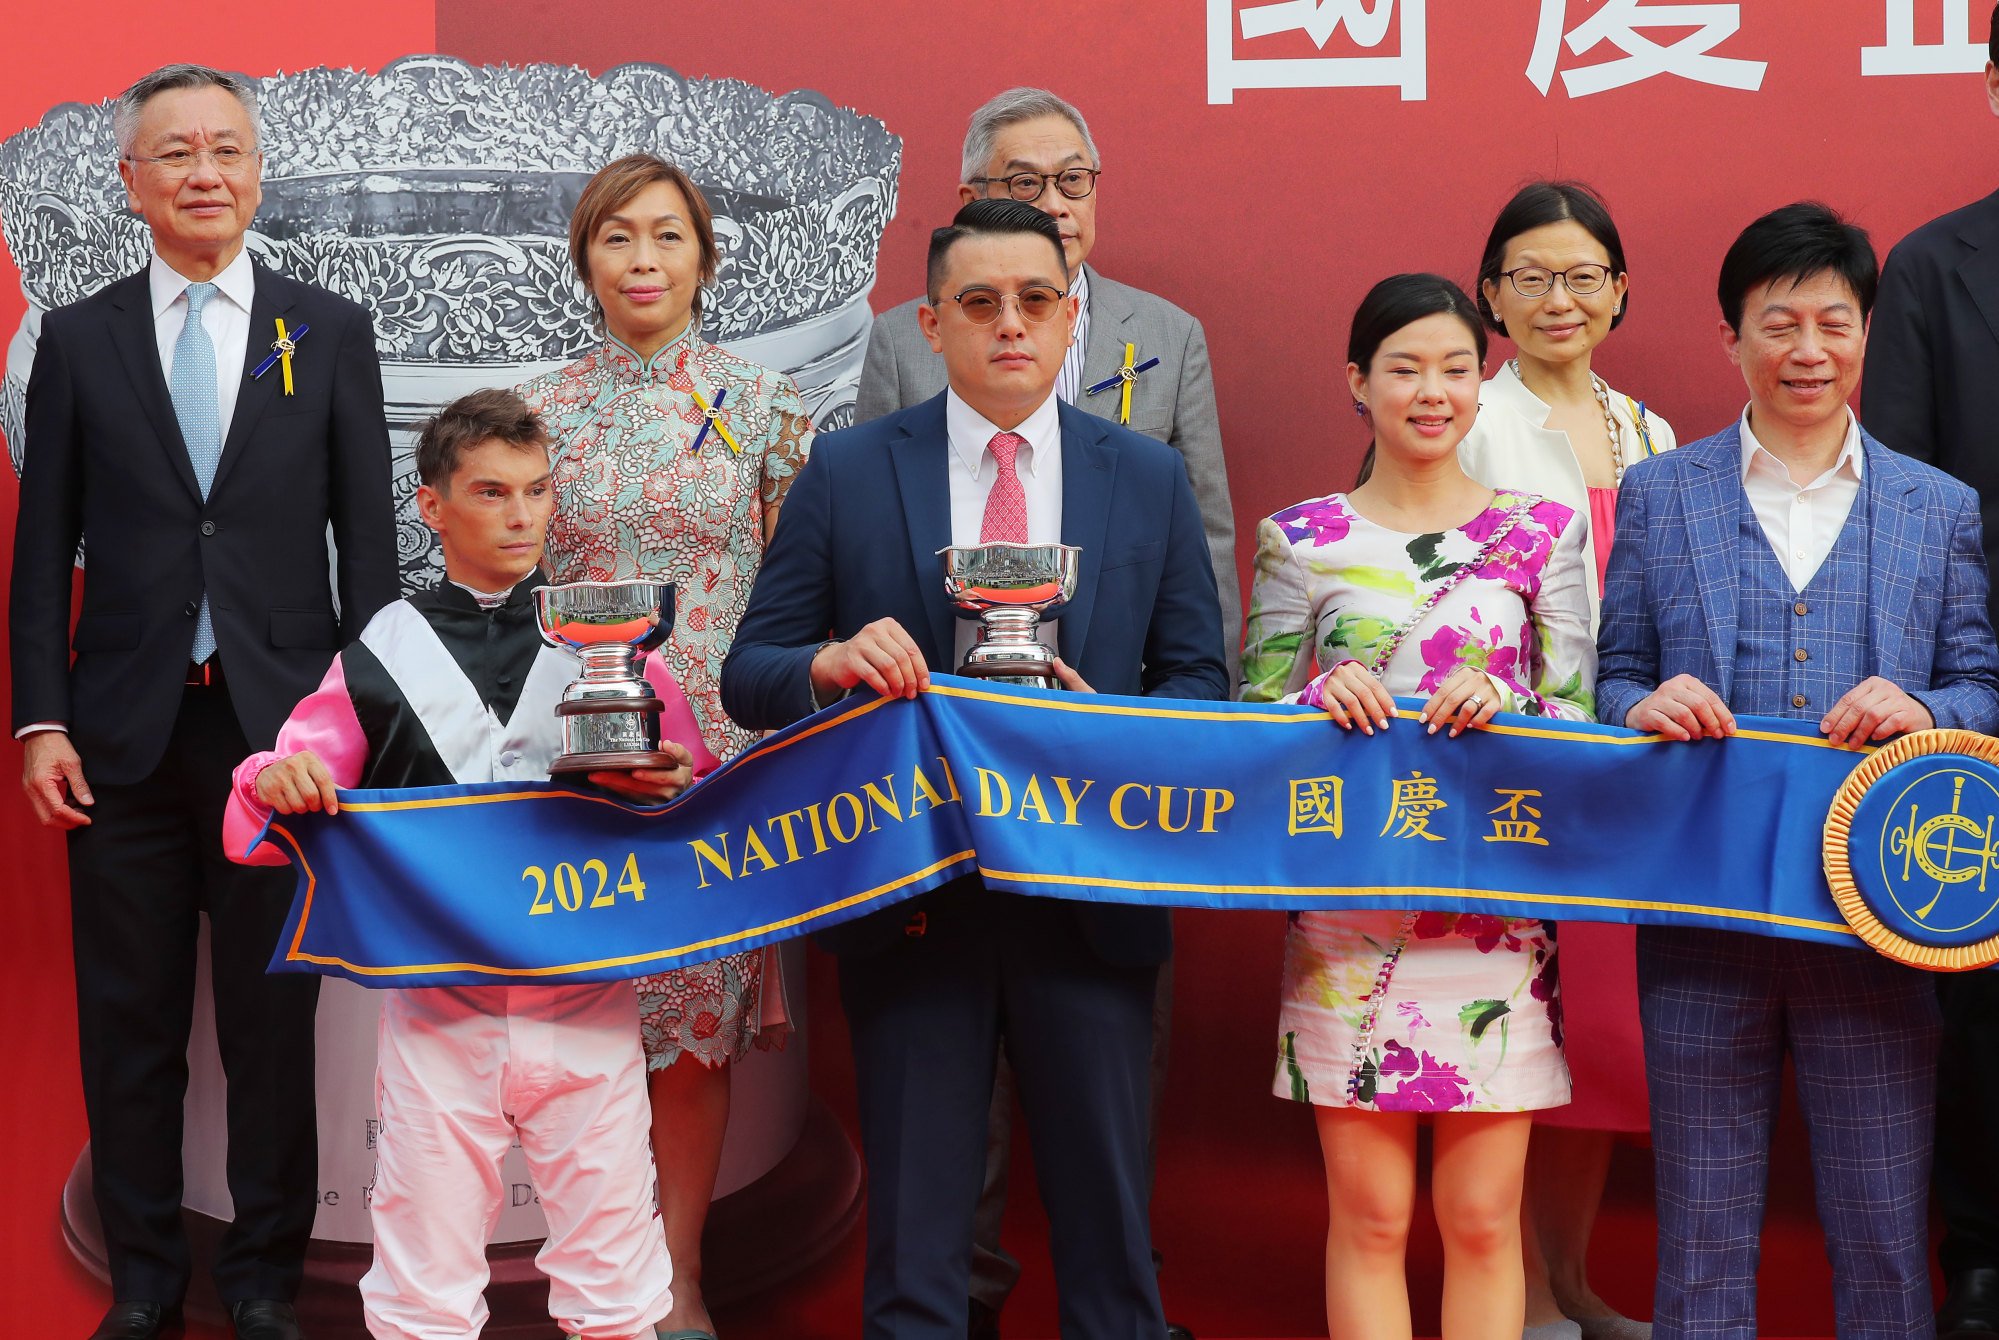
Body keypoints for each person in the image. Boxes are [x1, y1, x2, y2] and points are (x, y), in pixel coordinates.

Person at [721, 198, 1227, 1340]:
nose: (1011, 325)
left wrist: (1112, 732)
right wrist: (829, 661)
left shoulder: (1141, 476)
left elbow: (1203, 683)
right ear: (930, 323)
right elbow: (748, 670)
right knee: (915, 1253)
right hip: (910, 894)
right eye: (981, 303)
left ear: (1069, 319)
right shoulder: (849, 468)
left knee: (1107, 1242)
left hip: (1089, 891)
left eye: (1036, 302)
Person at [9, 64, 398, 1340]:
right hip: (119, 736)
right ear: (132, 184)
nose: (203, 172)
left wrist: (358, 729)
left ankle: (264, 1284)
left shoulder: (326, 329)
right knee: (129, 1024)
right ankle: (141, 1285)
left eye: (225, 149)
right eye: (172, 153)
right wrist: (42, 719)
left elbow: (373, 559)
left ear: (257, 170)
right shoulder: (78, 337)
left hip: (280, 742)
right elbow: (40, 550)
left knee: (273, 1025)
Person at [854, 87, 1235, 1337]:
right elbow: (857, 573)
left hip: (1100, 835)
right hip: (922, 838)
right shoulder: (889, 403)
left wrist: (1136, 739)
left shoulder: (1157, 358)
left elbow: (1203, 600)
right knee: (928, 1176)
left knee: (1104, 1151)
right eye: (1029, 178)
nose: (1056, 205)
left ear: (1070, 315)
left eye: (1076, 180)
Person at [221, 390, 711, 1340]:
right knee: (421, 1294)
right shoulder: (379, 652)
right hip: (438, 1012)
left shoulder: (611, 642)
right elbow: (277, 783)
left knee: (618, 1290)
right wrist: (277, 778)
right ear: (434, 504)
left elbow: (693, 791)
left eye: (536, 491)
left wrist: (677, 783)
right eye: (492, 492)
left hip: (588, 1003)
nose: (522, 515)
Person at [1597, 202, 1999, 1340]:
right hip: (1699, 910)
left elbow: (1984, 688)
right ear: (1731, 338)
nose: (1806, 350)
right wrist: (1644, 700)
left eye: (1832, 322)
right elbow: (1611, 674)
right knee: (1703, 1230)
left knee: (1881, 1231)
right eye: (1778, 323)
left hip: (1876, 919)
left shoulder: (1937, 507)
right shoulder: (1662, 493)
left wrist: (1920, 705)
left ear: (1866, 332)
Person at [1241, 273, 1592, 1340]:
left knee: (1485, 1219)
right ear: (1358, 382)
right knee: (1374, 1214)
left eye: (1453, 366)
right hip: (1348, 914)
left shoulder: (1542, 534)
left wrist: (1512, 697)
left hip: (1493, 915)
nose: (1431, 390)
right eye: (1404, 367)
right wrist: (1312, 696)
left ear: (1480, 382)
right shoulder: (1298, 536)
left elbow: (1582, 722)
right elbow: (1241, 726)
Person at [517, 152, 813, 1340]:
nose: (643, 260)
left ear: (704, 256)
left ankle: (677, 1278)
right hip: (575, 753)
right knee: (589, 1019)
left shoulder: (771, 405)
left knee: (694, 1027)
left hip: (721, 760)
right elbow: (506, 590)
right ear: (585, 259)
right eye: (617, 238)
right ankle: (602, 1279)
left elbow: (795, 598)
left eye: (667, 237)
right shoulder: (535, 410)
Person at [1462, 181, 1674, 1340]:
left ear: (1620, 290)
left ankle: (1573, 1279)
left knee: (1599, 1038)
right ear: (1490, 293)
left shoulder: (1651, 431)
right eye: (1531, 275)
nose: (1559, 297)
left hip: (1626, 772)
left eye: (1584, 274)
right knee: (1519, 1027)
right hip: (1512, 767)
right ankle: (1521, 1295)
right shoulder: (1471, 416)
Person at [1862, 20, 1999, 1335]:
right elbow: (1900, 498)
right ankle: (1980, 1256)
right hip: (1980, 683)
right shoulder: (1930, 266)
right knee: (1978, 985)